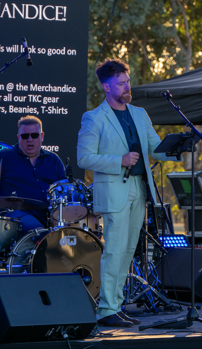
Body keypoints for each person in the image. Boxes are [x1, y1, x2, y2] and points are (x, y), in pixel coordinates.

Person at [77, 59, 176, 328]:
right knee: (115, 250)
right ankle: (106, 309)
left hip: (139, 188)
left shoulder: (140, 114)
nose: (127, 86)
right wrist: (118, 160)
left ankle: (115, 306)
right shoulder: (94, 117)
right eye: (121, 83)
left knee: (128, 250)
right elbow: (84, 157)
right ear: (106, 87)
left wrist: (176, 148)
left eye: (128, 81)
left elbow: (154, 148)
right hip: (114, 190)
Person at [0, 115, 66, 234]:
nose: (30, 139)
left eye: (34, 135)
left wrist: (59, 214)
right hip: (16, 216)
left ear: (42, 136)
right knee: (41, 233)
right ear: (18, 137)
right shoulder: (4, 157)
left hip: (48, 216)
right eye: (25, 136)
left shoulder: (53, 160)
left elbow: (63, 191)